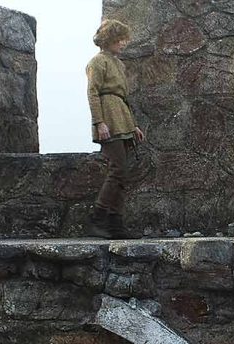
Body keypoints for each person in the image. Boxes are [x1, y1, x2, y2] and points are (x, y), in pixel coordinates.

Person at [85, 19, 145, 239]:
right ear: (108, 39)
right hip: (109, 119)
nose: (123, 43)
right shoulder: (97, 62)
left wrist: (133, 125)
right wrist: (99, 122)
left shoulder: (118, 64)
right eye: (119, 39)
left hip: (122, 119)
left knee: (123, 174)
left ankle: (115, 224)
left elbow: (123, 98)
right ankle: (97, 218)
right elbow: (93, 93)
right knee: (117, 169)